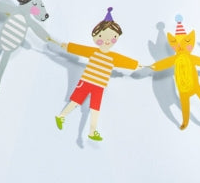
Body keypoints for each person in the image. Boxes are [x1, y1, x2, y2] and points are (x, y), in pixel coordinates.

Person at [55, 8, 139, 142]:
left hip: (99, 86)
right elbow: (80, 49)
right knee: (76, 101)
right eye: (103, 36)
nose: (108, 40)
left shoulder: (114, 57)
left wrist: (137, 65)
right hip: (87, 81)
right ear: (96, 36)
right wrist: (66, 46)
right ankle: (61, 116)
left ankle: (92, 131)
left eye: (113, 38)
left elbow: (126, 62)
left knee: (95, 108)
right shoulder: (94, 52)